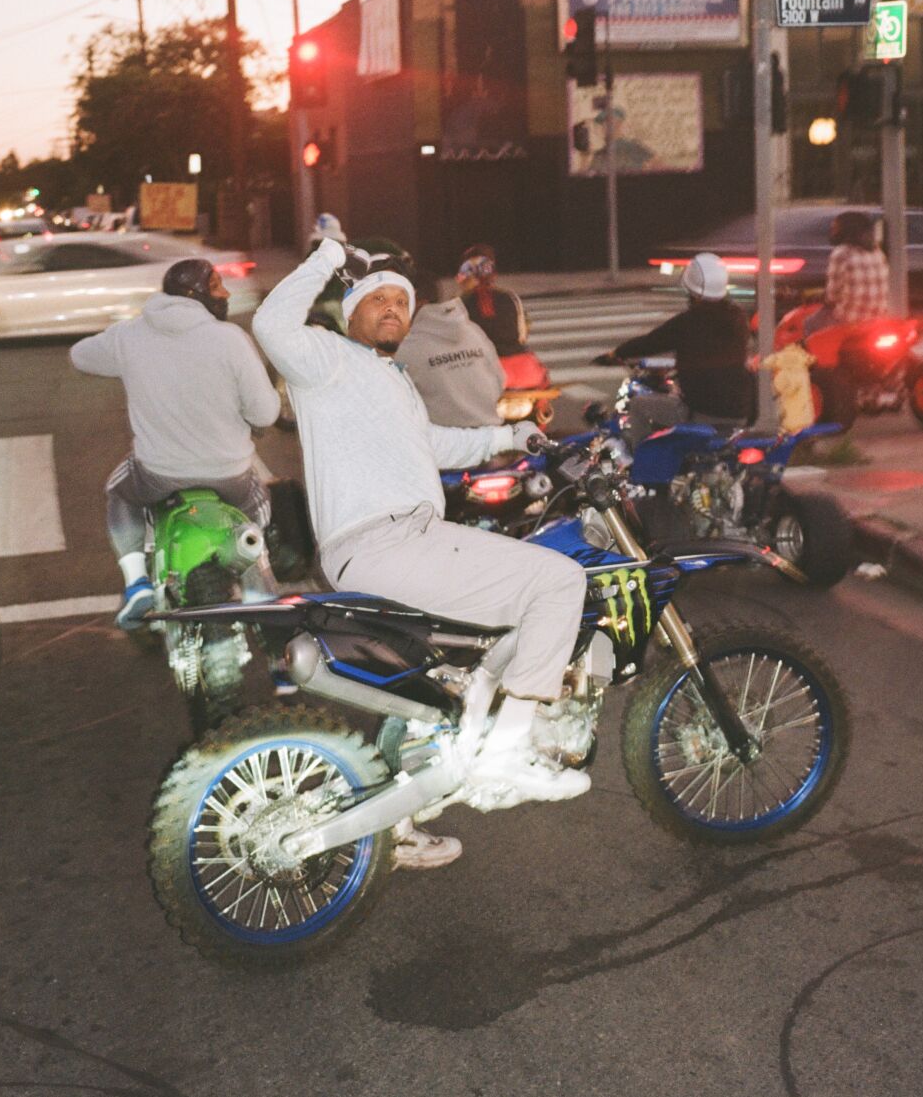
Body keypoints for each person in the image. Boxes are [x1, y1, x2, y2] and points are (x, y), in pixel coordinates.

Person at [253, 237, 588, 851]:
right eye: (374, 299)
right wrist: (328, 256)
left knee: (445, 675)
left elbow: (431, 447)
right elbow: (271, 323)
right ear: (347, 313)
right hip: (383, 540)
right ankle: (508, 753)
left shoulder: (391, 379)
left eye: (400, 302)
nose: (390, 308)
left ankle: (398, 822)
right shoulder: (325, 359)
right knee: (560, 581)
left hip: (406, 537)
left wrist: (508, 438)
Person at [71, 259, 280, 626]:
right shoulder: (231, 340)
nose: (226, 293)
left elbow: (79, 355)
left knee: (120, 495)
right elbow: (264, 414)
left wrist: (127, 353)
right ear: (196, 294)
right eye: (217, 286)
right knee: (255, 517)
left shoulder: (130, 335)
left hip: (158, 473)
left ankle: (136, 583)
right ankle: (263, 603)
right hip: (229, 475)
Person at [595, 252, 753, 426]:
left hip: (701, 412)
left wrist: (616, 353)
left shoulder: (688, 321)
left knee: (638, 405)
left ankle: (641, 454)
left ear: (694, 293)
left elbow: (650, 343)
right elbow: (715, 355)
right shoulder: (738, 317)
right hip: (740, 413)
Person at [396, 263, 507, 429]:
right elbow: (500, 379)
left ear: (416, 300)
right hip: (493, 437)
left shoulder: (406, 349)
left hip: (445, 446)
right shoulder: (472, 331)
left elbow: (396, 407)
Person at [809, 210, 891, 331]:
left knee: (808, 323)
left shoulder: (841, 253)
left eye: (835, 228)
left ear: (846, 231)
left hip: (848, 319)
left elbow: (832, 296)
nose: (832, 232)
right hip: (878, 318)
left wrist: (820, 296)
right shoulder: (877, 252)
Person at [455, 244, 529, 358]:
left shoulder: (459, 303)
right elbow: (522, 336)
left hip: (478, 366)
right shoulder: (510, 298)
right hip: (515, 364)